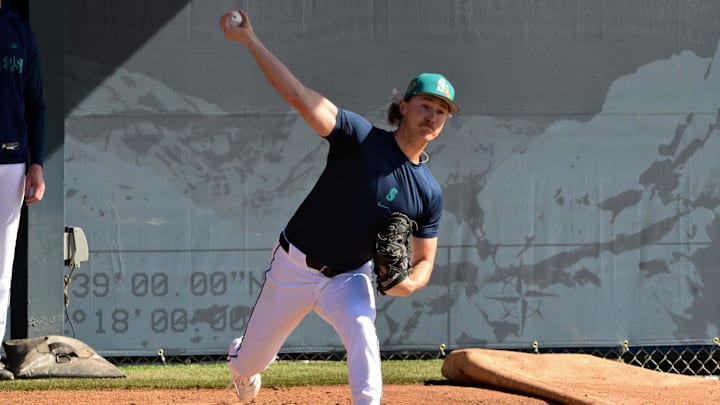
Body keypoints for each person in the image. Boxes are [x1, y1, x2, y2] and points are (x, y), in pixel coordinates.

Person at [220, 10, 457, 404]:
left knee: (364, 328)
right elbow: (297, 93)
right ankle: (242, 365)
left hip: (349, 277)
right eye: (425, 105)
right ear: (403, 107)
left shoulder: (428, 192)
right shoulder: (359, 138)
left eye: (441, 110)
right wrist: (249, 39)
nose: (432, 115)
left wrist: (410, 282)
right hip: (294, 266)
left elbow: (425, 258)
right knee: (249, 362)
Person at [0, 0, 47, 380]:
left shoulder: (19, 31)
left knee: (1, 266)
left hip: (10, 162)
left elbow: (36, 104)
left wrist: (37, 164)